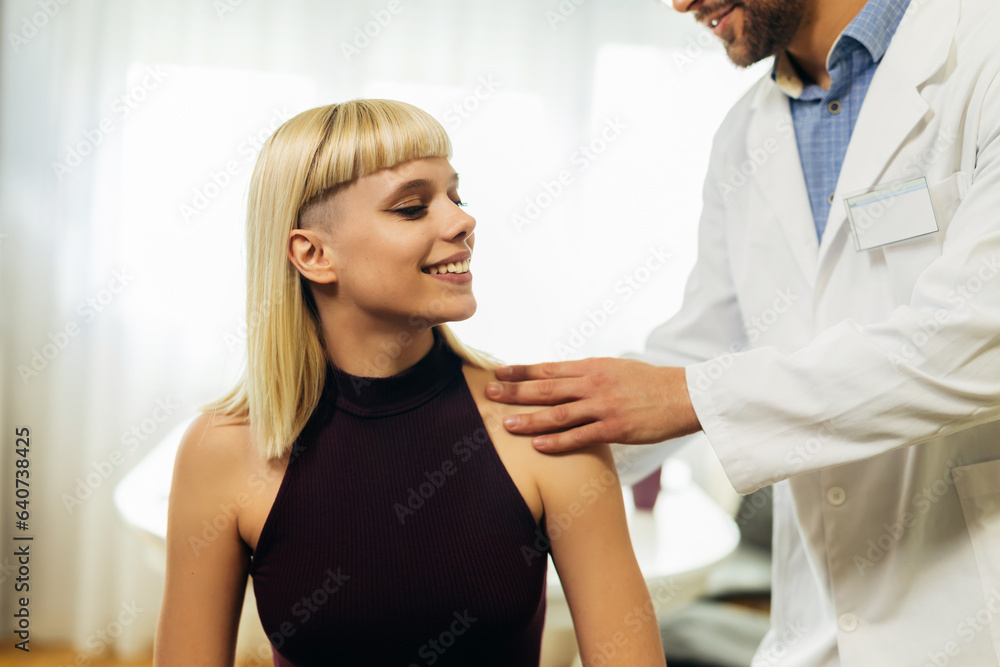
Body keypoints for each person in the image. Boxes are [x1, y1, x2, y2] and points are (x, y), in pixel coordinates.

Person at [487, 0, 1000, 665]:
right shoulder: (745, 134)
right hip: (815, 628)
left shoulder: (981, 52)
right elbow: (709, 344)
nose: (678, 3)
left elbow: (977, 339)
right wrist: (511, 453)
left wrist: (691, 395)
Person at [152, 99, 666, 667]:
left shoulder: (542, 426)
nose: (462, 221)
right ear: (313, 254)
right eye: (413, 207)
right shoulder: (221, 448)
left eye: (456, 196)